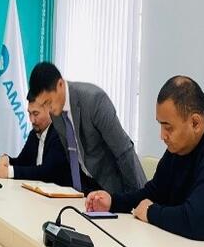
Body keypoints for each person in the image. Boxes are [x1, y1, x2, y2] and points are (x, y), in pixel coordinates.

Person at [86, 76, 204, 246]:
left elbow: (196, 221)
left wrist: (151, 212)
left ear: (195, 123)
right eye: (160, 126)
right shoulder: (180, 147)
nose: (162, 136)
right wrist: (113, 202)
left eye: (168, 127)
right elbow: (153, 192)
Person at [28, 62, 146, 194]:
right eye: (43, 105)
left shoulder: (94, 100)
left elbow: (123, 151)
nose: (48, 109)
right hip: (87, 190)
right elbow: (72, 156)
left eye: (48, 102)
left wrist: (135, 196)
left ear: (60, 84)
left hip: (115, 186)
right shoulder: (56, 112)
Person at [0, 93, 71, 184]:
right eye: (29, 113)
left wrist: (9, 172)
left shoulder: (60, 133)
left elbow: (47, 173)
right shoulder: (34, 134)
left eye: (36, 114)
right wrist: (8, 160)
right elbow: (22, 162)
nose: (32, 120)